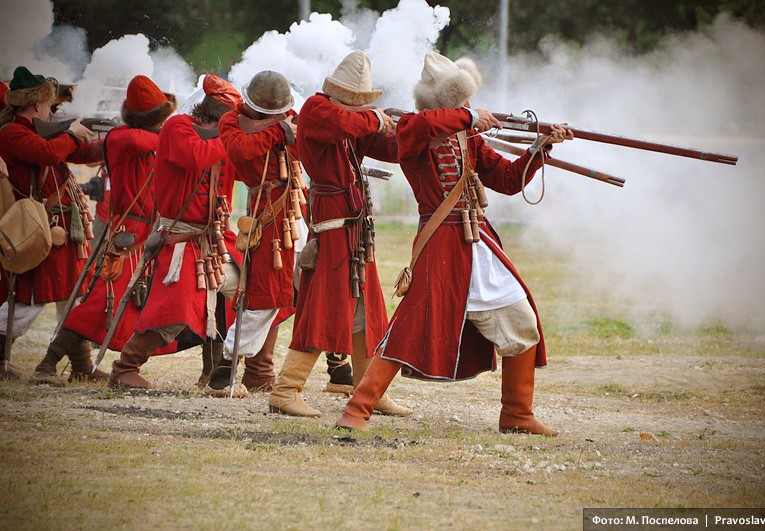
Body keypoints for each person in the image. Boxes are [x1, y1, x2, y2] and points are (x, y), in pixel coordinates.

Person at [336, 52, 573, 435]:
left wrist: (540, 147)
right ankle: (357, 409)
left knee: (522, 322)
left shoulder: (467, 135)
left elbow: (509, 180)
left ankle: (516, 413)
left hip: (478, 243)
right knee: (408, 329)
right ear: (445, 101)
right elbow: (421, 128)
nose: (467, 105)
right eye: (460, 100)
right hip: (440, 244)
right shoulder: (414, 128)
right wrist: (470, 117)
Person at [267, 51, 409, 418]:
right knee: (323, 312)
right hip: (333, 230)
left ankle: (369, 391)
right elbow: (350, 123)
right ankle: (285, 390)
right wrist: (377, 119)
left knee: (367, 312)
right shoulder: (318, 109)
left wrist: (420, 131)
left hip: (355, 230)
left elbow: (388, 148)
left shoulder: (351, 124)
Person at [28, 75, 176, 386]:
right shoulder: (122, 137)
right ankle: (46, 364)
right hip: (129, 234)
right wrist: (177, 133)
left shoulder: (138, 136)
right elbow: (143, 141)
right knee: (99, 302)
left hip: (144, 232)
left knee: (119, 301)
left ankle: (76, 365)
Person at [107, 75, 243, 390]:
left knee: (235, 295)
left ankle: (215, 375)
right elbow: (195, 155)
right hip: (180, 237)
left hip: (212, 238)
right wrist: (230, 137)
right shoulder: (177, 127)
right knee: (175, 310)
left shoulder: (215, 136)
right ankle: (124, 369)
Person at [0, 66, 101, 380]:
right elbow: (46, 153)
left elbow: (82, 154)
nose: (51, 107)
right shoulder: (12, 132)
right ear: (36, 104)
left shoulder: (42, 129)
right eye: (48, 104)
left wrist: (110, 141)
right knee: (32, 299)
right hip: (42, 226)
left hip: (62, 226)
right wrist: (71, 133)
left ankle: (82, 367)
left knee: (71, 295)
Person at [208, 70, 300, 394]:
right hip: (268, 216)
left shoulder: (285, 122)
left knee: (281, 294)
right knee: (266, 295)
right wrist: (278, 131)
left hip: (293, 213)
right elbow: (241, 150)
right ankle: (228, 362)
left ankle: (253, 370)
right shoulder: (232, 122)